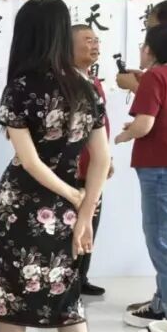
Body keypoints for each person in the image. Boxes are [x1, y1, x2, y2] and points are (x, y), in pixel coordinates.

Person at [0, 0, 111, 332]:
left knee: (13, 304)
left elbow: (29, 161)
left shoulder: (20, 87)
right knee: (69, 303)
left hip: (22, 205)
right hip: (71, 206)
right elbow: (101, 158)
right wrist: (84, 211)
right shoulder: (86, 87)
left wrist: (74, 198)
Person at [115, 22, 167, 332]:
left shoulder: (155, 77)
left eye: (143, 44)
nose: (141, 49)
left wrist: (125, 136)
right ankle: (164, 303)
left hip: (163, 171)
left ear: (150, 50)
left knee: (164, 242)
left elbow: (145, 125)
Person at [71, 24, 113, 296]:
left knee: (90, 222)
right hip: (72, 169)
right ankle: (67, 280)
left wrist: (107, 159)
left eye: (96, 40)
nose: (95, 45)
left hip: (94, 166)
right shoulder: (66, 83)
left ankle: (80, 278)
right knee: (71, 224)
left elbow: (101, 127)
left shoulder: (94, 81)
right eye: (88, 40)